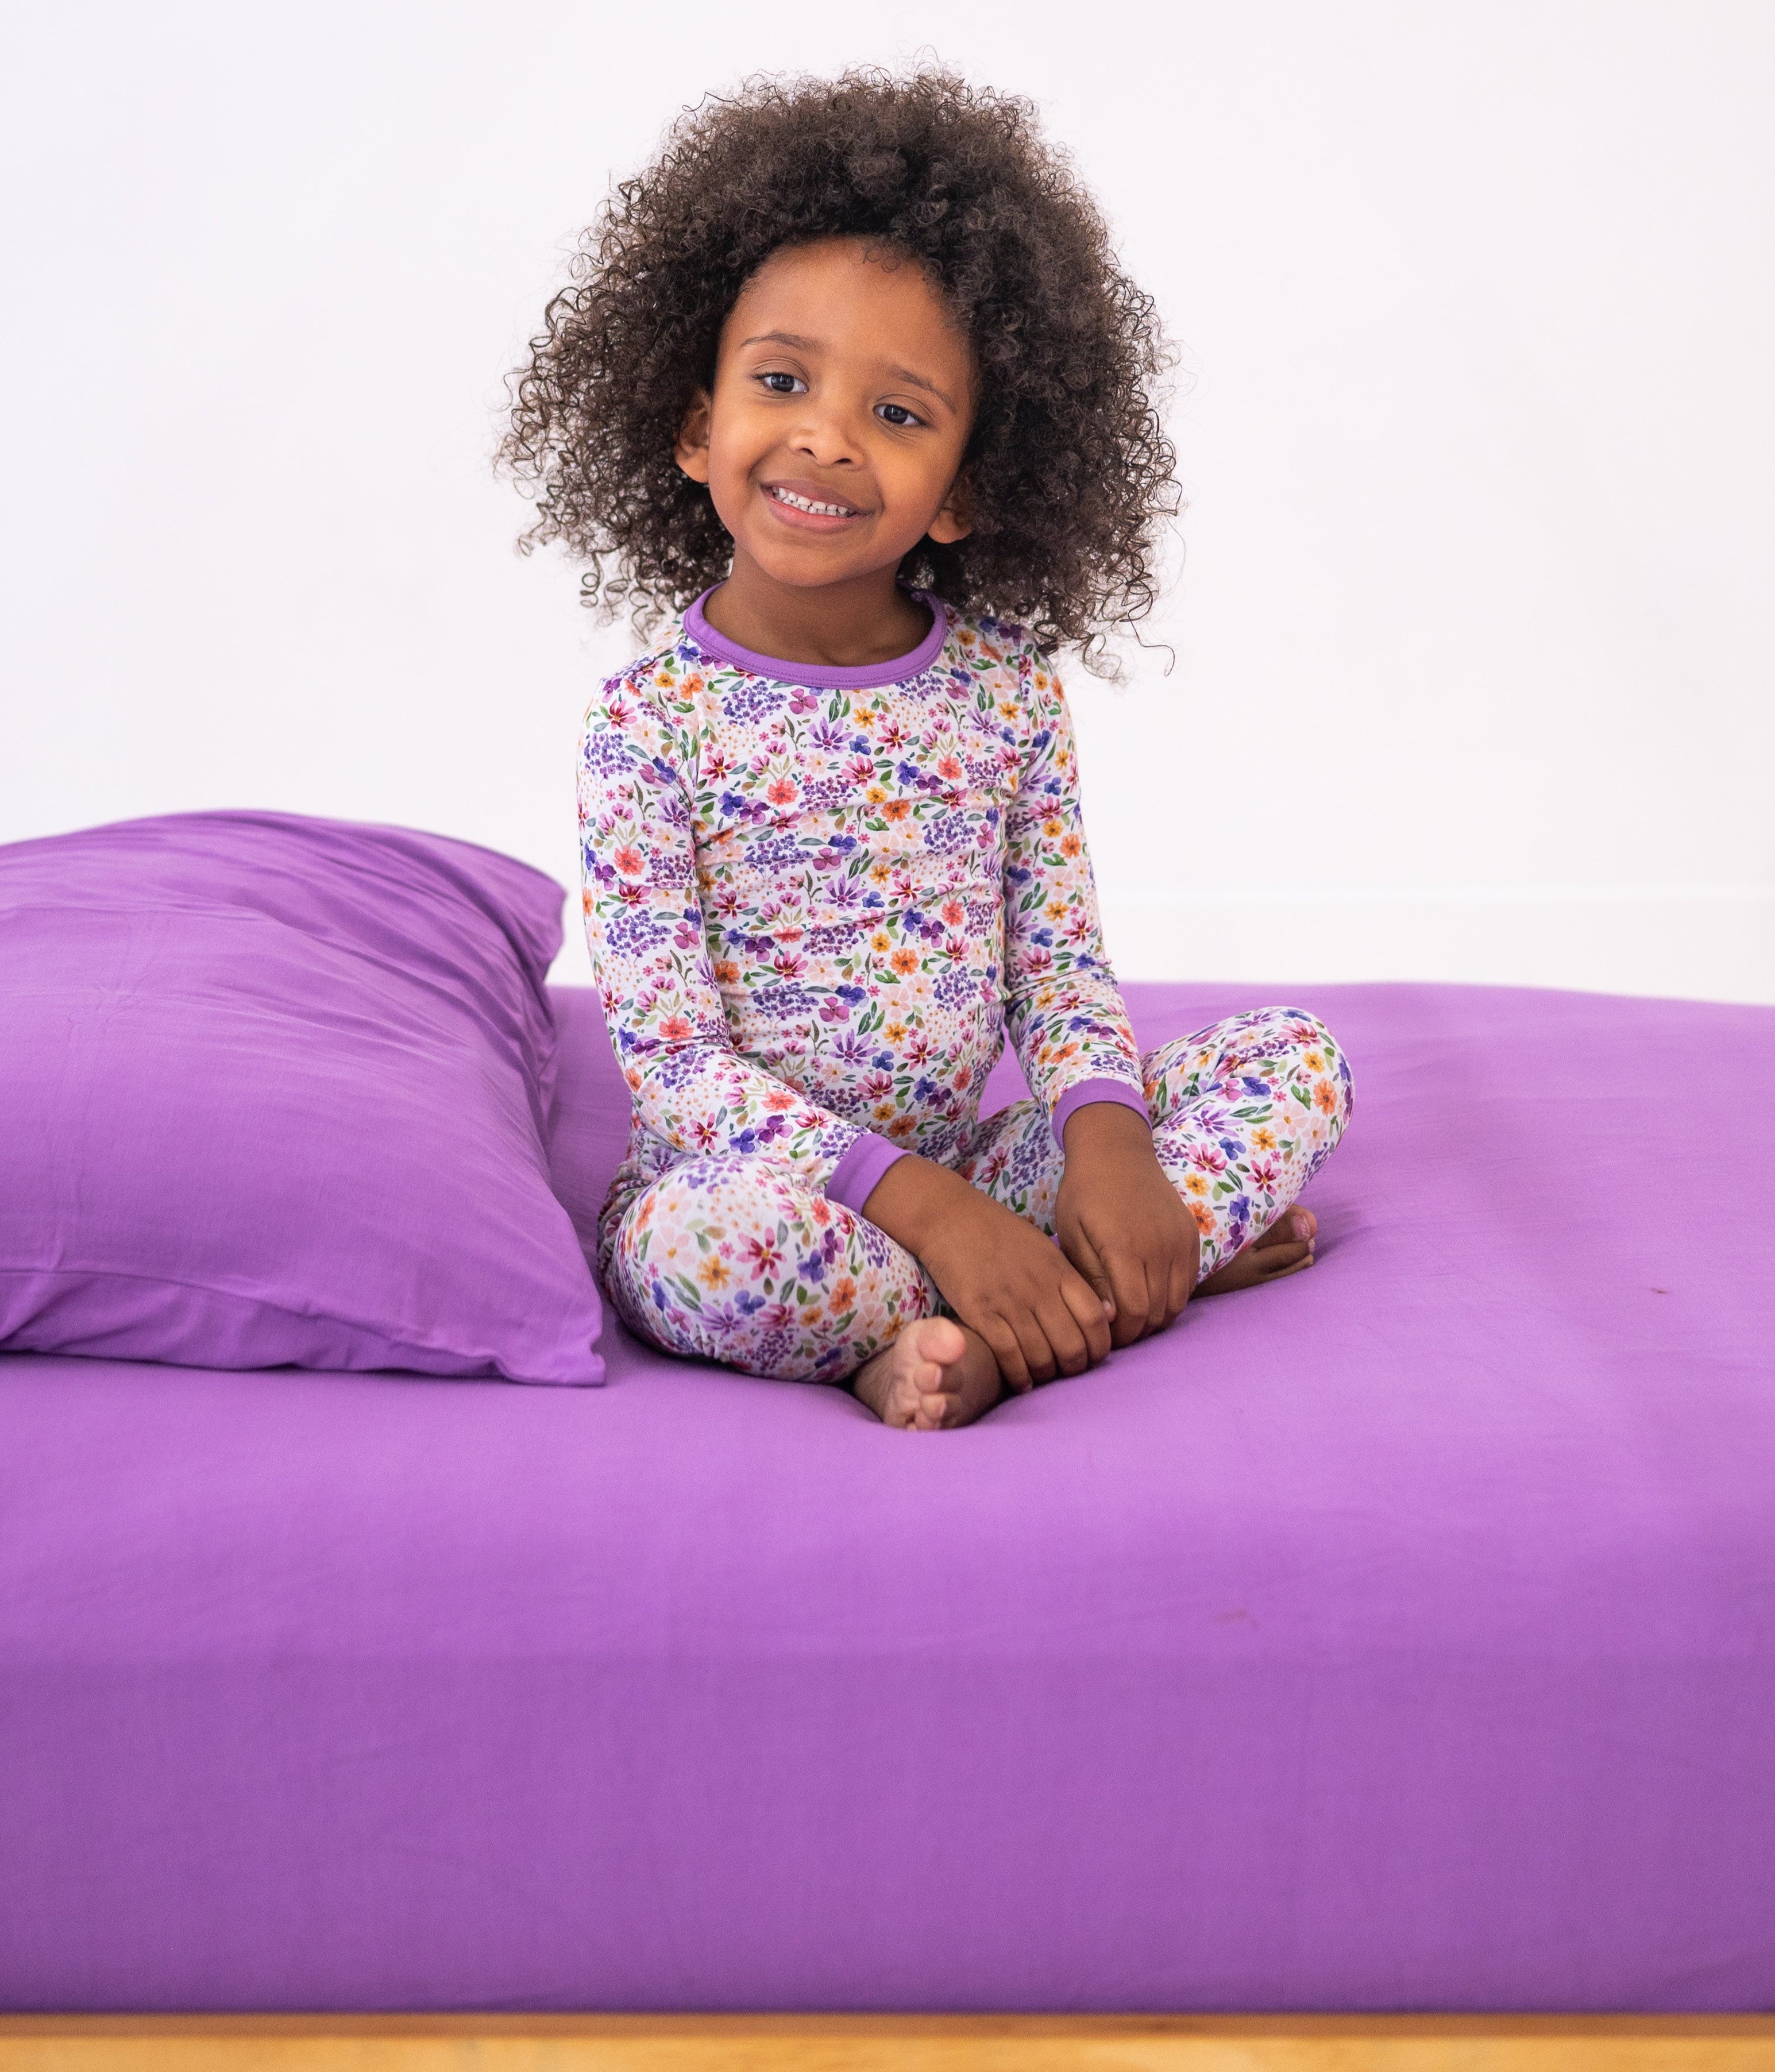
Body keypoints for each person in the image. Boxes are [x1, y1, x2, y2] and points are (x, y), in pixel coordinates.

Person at [501, 68, 1352, 1429]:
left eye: (898, 415)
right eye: (780, 381)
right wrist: (933, 1214)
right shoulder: (646, 724)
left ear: (961, 492)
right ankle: (1060, 1296)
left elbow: (1057, 963)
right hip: (763, 1187)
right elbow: (672, 1061)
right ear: (694, 423)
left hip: (977, 1157)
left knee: (1294, 1059)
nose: (827, 437)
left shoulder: (1004, 689)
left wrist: (1108, 1147)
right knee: (701, 1261)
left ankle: (1034, 1288)